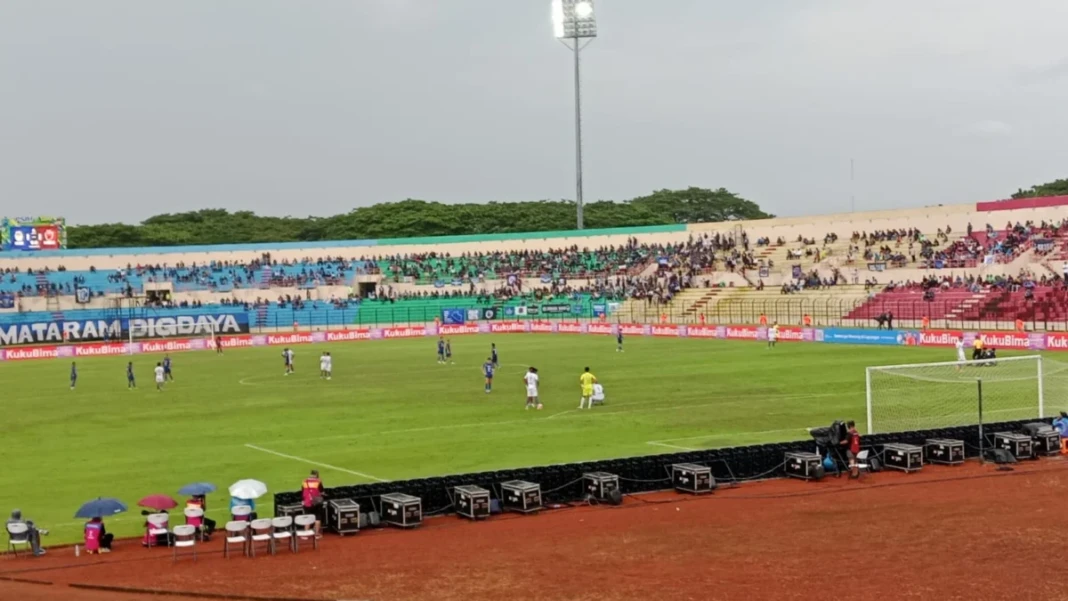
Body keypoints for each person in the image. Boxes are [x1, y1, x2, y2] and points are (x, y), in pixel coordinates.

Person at [301, 470, 325, 536]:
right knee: (318, 517)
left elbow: (302, 492)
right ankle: (316, 534)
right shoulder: (318, 481)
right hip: (316, 501)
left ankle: (305, 535)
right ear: (317, 475)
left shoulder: (305, 481)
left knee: (307, 518)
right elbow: (322, 491)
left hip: (307, 502)